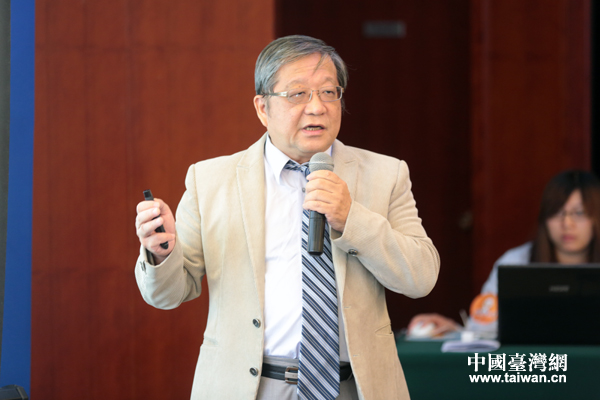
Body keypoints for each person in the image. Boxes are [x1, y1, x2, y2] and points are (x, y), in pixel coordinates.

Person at [135, 35, 440, 400]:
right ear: (262, 107)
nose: (317, 107)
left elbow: (421, 277)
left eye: (329, 92)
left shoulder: (386, 174)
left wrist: (351, 218)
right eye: (297, 94)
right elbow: (169, 294)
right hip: (253, 388)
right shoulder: (211, 180)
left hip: (355, 388)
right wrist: (162, 254)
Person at [408, 169, 600, 337]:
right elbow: (484, 329)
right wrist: (455, 331)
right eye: (557, 212)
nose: (567, 224)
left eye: (579, 213)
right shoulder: (515, 262)